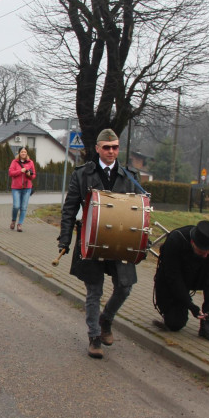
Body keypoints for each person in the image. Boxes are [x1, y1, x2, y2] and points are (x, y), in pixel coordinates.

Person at [57, 129, 140, 359]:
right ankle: (94, 336)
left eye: (115, 147)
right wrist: (65, 238)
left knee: (125, 286)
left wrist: (142, 239)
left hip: (121, 242)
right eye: (106, 147)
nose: (111, 151)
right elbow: (70, 208)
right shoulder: (82, 174)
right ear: (97, 149)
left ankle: (106, 319)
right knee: (94, 290)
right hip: (90, 240)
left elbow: (140, 211)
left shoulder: (130, 176)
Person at [153, 220, 209, 342]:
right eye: (202, 252)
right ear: (193, 242)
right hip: (174, 282)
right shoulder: (175, 240)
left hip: (198, 277)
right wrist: (190, 305)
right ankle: (171, 313)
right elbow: (173, 277)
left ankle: (207, 322)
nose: (206, 256)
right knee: (175, 324)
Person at [7, 147, 37, 232]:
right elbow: (10, 173)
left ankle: (20, 224)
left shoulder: (31, 162)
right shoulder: (14, 162)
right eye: (22, 152)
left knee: (23, 207)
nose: (23, 153)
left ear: (27, 153)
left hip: (27, 188)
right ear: (19, 153)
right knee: (16, 206)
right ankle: (13, 220)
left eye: (25, 152)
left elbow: (33, 175)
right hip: (16, 188)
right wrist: (21, 171)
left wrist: (29, 174)